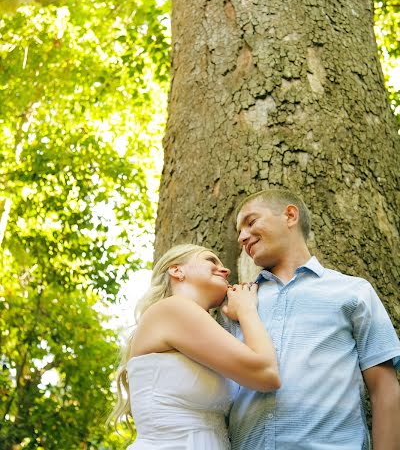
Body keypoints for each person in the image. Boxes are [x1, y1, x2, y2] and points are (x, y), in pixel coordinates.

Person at [223, 188, 400, 450]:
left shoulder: (353, 292)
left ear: (290, 216)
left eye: (251, 222)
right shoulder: (238, 303)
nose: (242, 237)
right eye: (239, 231)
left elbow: (385, 391)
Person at [109, 243, 280, 450]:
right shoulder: (173, 309)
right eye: (210, 260)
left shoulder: (190, 328)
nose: (225, 270)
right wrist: (247, 310)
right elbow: (266, 374)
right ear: (177, 270)